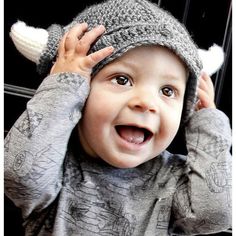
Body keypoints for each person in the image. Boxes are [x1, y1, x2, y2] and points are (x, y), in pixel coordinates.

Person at [4, 0, 232, 235]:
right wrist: (63, 84)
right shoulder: (55, 166)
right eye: (122, 80)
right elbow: (20, 176)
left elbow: (217, 214)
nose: (146, 102)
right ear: (82, 89)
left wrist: (207, 122)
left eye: (167, 91)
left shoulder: (171, 181)